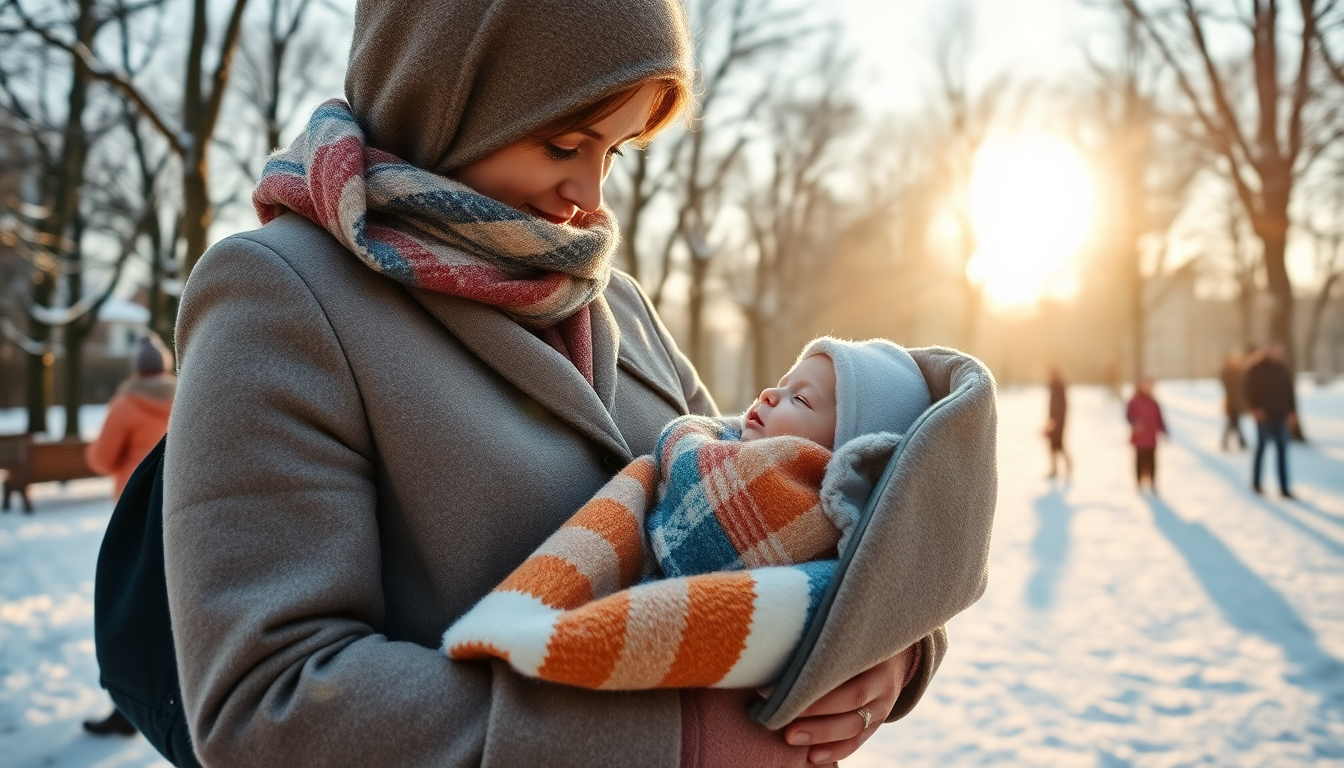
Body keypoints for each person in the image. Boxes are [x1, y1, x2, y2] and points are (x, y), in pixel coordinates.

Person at [159, 3, 981, 767]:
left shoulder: (609, 295)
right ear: (450, 98)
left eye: (613, 152)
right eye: (564, 144)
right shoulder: (279, 294)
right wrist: (672, 741)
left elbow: (768, 495)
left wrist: (888, 649)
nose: (588, 198)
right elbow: (269, 706)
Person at [446, 339, 936, 690]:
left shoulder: (630, 308)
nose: (768, 395)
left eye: (800, 398)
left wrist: (890, 652)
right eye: (781, 384)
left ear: (854, 459)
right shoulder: (699, 454)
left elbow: (880, 582)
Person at [82, 335, 175, 738]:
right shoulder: (189, 390)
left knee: (133, 608)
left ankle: (128, 705)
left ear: (137, 368)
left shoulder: (126, 404)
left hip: (135, 513)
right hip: (180, 507)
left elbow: (101, 458)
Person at [1244, 340, 1297, 499]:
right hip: (1264, 415)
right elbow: (1248, 390)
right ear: (1268, 350)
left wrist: (1292, 411)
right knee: (1261, 447)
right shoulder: (1256, 369)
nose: (1277, 353)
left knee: (1282, 450)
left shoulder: (1283, 368)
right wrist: (1254, 408)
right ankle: (1256, 483)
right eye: (1275, 350)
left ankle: (1284, 487)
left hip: (1281, 414)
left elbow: (1290, 391)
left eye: (1280, 350)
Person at [1125, 376, 1167, 494]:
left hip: (1151, 437)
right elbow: (1128, 415)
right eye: (1144, 384)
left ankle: (1152, 483)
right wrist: (1134, 423)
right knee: (1139, 461)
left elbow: (1160, 418)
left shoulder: (1154, 401)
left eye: (1149, 384)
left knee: (1152, 461)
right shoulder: (1134, 400)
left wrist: (1164, 430)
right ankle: (1139, 483)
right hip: (1139, 437)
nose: (1147, 387)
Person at [1045, 366, 1072, 480]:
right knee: (1054, 445)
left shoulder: (1058, 387)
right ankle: (1056, 468)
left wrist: (1055, 421)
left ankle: (1065, 466)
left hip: (1057, 421)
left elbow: (1059, 406)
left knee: (1058, 445)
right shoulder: (1054, 387)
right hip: (1055, 420)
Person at [1219, 352, 1247, 451]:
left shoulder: (1236, 371)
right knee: (1232, 422)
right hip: (1230, 401)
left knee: (1234, 422)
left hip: (1235, 400)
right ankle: (1236, 442)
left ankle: (1240, 442)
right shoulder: (1227, 371)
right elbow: (1229, 386)